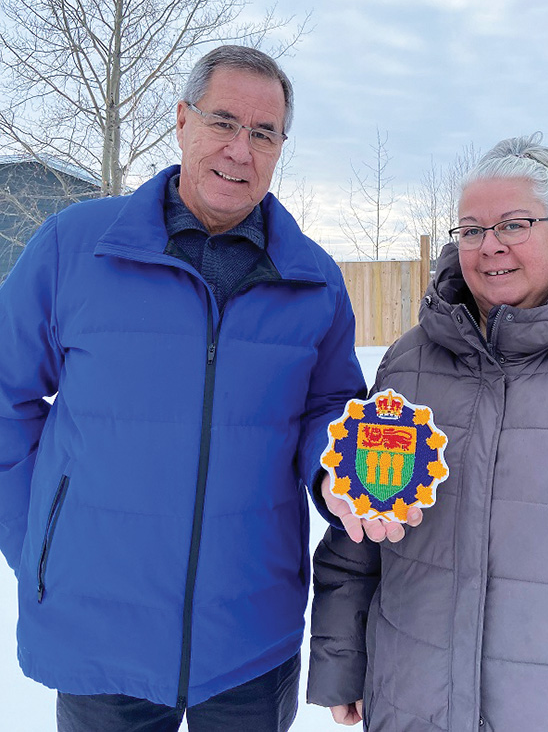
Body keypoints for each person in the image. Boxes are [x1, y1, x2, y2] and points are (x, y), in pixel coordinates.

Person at [0, 45, 369, 732]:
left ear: (282, 145)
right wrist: (39, 542)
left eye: (264, 133)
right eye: (222, 121)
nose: (240, 149)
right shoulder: (76, 247)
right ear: (181, 119)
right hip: (101, 632)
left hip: (249, 638)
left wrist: (338, 468)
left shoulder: (314, 281)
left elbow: (330, 409)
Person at [308, 133, 548, 732]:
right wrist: (341, 659)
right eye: (470, 230)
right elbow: (360, 524)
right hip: (416, 701)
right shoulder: (410, 363)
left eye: (513, 224)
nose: (489, 247)